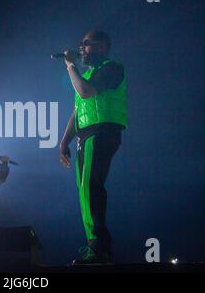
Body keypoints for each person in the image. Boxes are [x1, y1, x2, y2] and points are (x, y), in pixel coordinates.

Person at [59, 30, 127, 264]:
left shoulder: (112, 68)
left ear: (103, 47)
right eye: (81, 44)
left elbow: (85, 92)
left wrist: (70, 66)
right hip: (85, 137)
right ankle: (97, 246)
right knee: (85, 190)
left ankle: (99, 247)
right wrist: (63, 142)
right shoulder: (88, 74)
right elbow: (78, 110)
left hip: (102, 132)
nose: (82, 49)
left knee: (90, 186)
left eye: (87, 44)